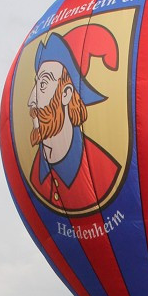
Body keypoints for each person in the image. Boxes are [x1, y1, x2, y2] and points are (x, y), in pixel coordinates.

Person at [27, 28, 120, 213]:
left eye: (43, 85)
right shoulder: (35, 176)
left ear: (66, 94)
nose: (31, 100)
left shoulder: (106, 172)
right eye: (36, 85)